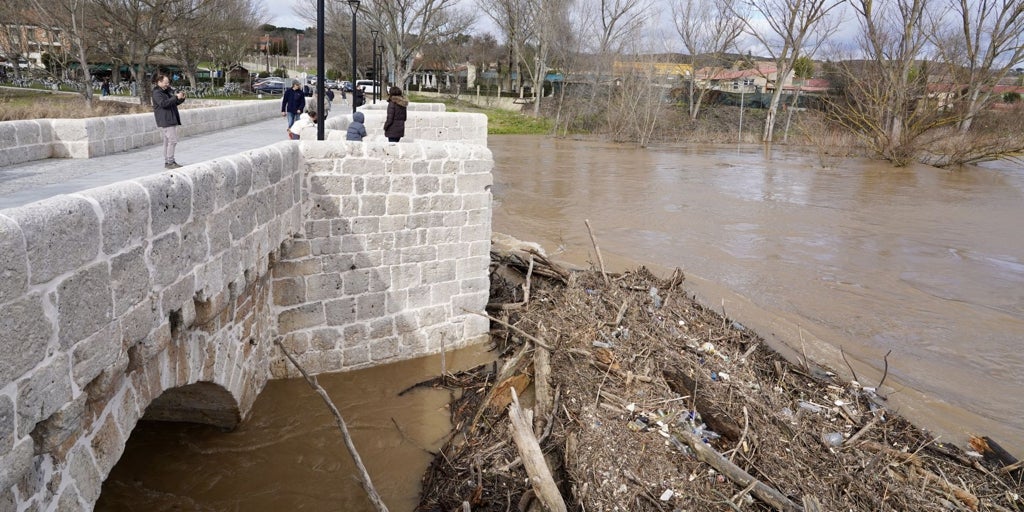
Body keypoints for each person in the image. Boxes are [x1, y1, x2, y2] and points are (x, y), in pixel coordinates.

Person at [152, 73, 186, 169]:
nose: (167, 84)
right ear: (159, 82)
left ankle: (168, 161)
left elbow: (173, 102)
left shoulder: (166, 91)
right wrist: (175, 97)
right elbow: (163, 104)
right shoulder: (157, 93)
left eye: (168, 82)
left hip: (170, 117)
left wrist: (181, 99)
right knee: (173, 140)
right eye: (165, 83)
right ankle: (170, 162)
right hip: (166, 119)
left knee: (167, 142)